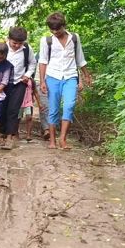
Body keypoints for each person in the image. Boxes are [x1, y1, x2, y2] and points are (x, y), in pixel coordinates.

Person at [37, 12, 92, 150]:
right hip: (53, 77)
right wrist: (42, 81)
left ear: (64, 26)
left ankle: (63, 139)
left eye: (58, 29)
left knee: (69, 105)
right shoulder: (46, 41)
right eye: (52, 30)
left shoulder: (74, 38)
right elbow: (43, 61)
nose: (55, 32)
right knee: (53, 108)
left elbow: (80, 58)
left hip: (70, 76)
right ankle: (52, 141)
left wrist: (86, 75)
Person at [0, 27, 36, 149]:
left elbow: (32, 64)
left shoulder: (27, 49)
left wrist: (27, 75)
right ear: (9, 39)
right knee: (2, 109)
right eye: (14, 43)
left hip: (19, 83)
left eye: (20, 43)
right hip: (2, 84)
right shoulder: (1, 48)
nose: (17, 45)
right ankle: (3, 133)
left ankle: (10, 137)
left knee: (13, 110)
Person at [33, 52, 50, 140]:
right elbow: (32, 68)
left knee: (53, 106)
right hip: (40, 81)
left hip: (55, 82)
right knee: (44, 105)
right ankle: (46, 129)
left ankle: (47, 128)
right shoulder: (38, 55)